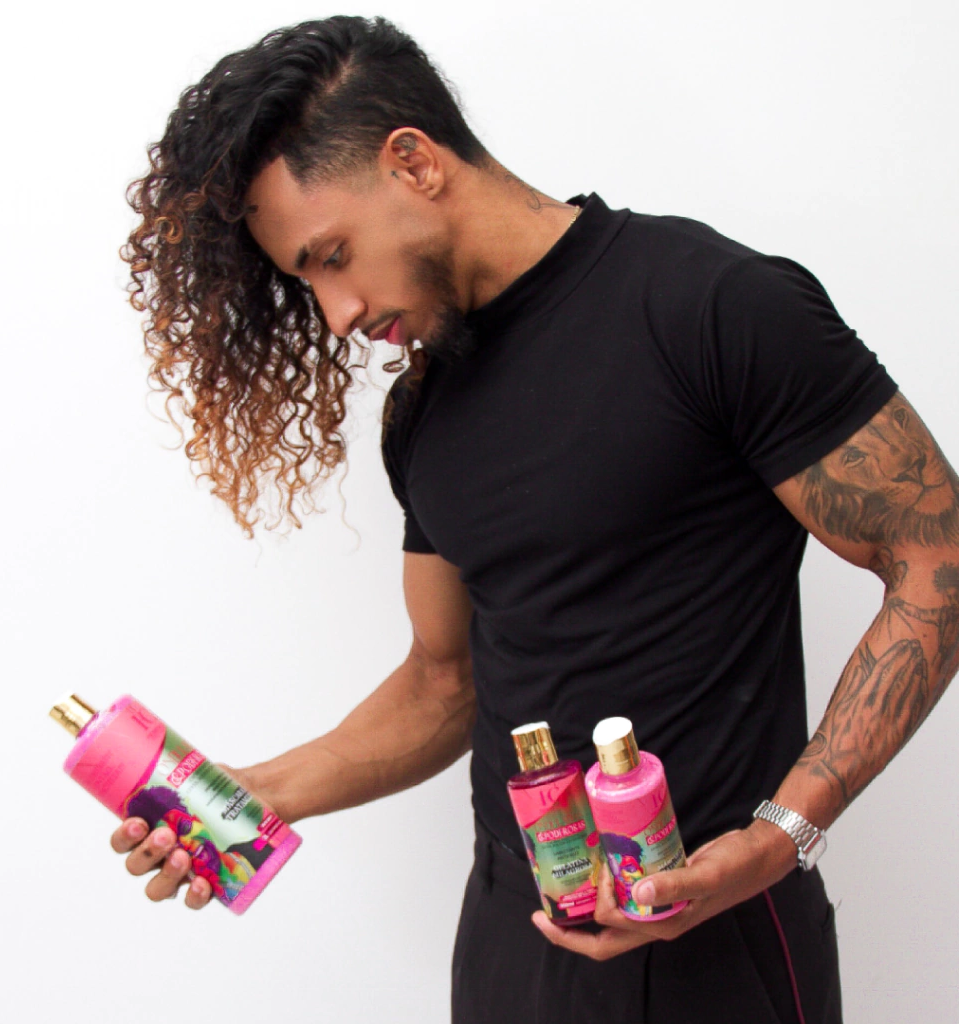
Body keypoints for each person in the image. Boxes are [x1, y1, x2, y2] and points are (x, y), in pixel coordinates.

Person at [111, 15, 959, 1024]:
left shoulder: (710, 305)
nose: (336, 312)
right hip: (511, 945)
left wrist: (781, 836)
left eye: (332, 255)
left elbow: (935, 556)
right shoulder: (420, 408)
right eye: (308, 281)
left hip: (712, 939)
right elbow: (444, 679)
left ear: (414, 162)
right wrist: (257, 789)